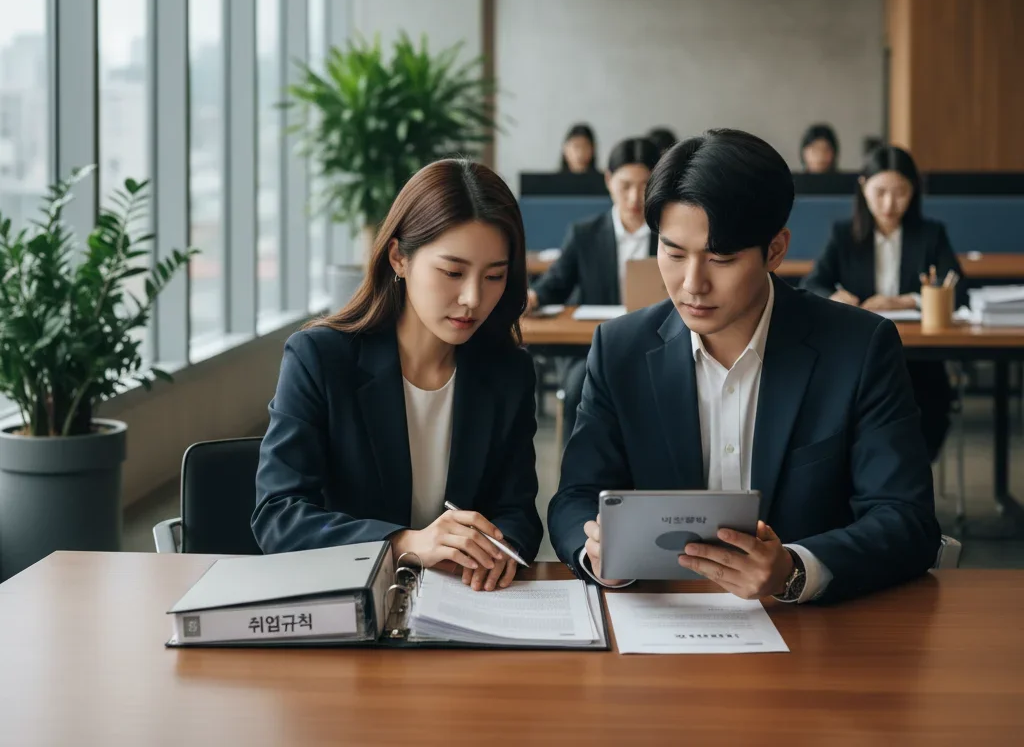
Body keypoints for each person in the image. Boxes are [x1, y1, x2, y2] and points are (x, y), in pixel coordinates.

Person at [548, 129, 940, 605]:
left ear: (775, 250)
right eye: (673, 253)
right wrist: (597, 553)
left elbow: (906, 518)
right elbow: (576, 498)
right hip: (662, 616)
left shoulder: (858, 347)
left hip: (812, 625)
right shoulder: (620, 350)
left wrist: (794, 568)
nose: (692, 284)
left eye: (721, 259)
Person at [252, 159, 543, 591]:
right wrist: (405, 543)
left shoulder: (507, 372)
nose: (472, 297)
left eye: (494, 276)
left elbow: (518, 511)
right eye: (453, 272)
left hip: (463, 602)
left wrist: (501, 548)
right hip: (350, 597)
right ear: (398, 258)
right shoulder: (320, 358)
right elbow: (279, 515)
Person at [802, 145, 962, 460]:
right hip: (859, 351)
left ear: (914, 191)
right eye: (880, 192)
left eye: (900, 193)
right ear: (863, 187)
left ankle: (913, 469)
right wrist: (835, 296)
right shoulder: (844, 235)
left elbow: (957, 288)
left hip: (919, 358)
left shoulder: (931, 234)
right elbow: (812, 284)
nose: (889, 204)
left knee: (926, 411)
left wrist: (907, 300)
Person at [528, 136, 661, 446]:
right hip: (590, 348)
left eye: (645, 186)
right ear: (608, 180)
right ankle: (578, 471)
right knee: (579, 387)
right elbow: (555, 283)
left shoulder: (669, 234)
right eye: (625, 185)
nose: (635, 197)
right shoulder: (585, 233)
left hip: (655, 343)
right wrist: (533, 297)